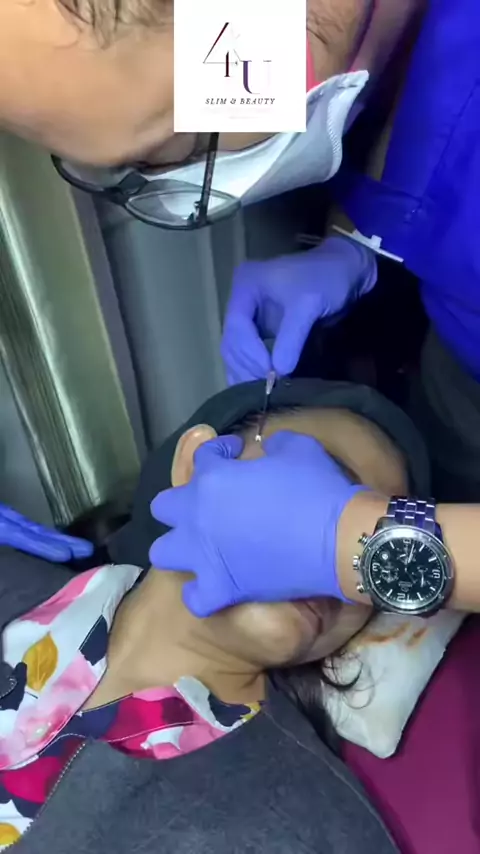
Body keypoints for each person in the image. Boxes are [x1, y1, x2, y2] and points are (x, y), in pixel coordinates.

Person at [1, 376, 475, 854]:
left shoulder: (311, 827)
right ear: (196, 461)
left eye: (365, 558)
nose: (333, 567)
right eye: (322, 481)